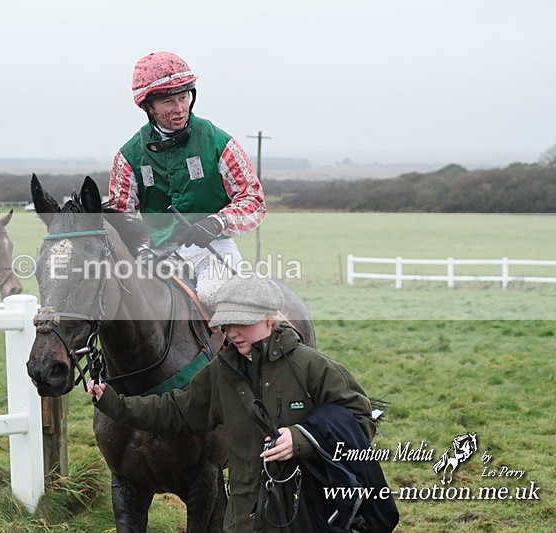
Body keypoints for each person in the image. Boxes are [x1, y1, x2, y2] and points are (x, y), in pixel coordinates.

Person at [88, 276, 395, 531]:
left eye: (241, 323)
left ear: (269, 319)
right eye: (226, 324)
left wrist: (302, 439)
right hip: (243, 518)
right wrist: (113, 404)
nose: (231, 332)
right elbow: (175, 411)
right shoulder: (221, 371)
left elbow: (359, 418)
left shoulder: (311, 367)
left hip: (306, 514)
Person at [108, 51, 266, 310]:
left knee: (213, 296)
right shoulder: (127, 156)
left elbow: (253, 199)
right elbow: (119, 218)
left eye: (184, 97)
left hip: (213, 250)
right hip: (156, 255)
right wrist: (142, 248)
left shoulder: (218, 141)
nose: (180, 108)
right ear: (148, 107)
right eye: (169, 102)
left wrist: (217, 222)